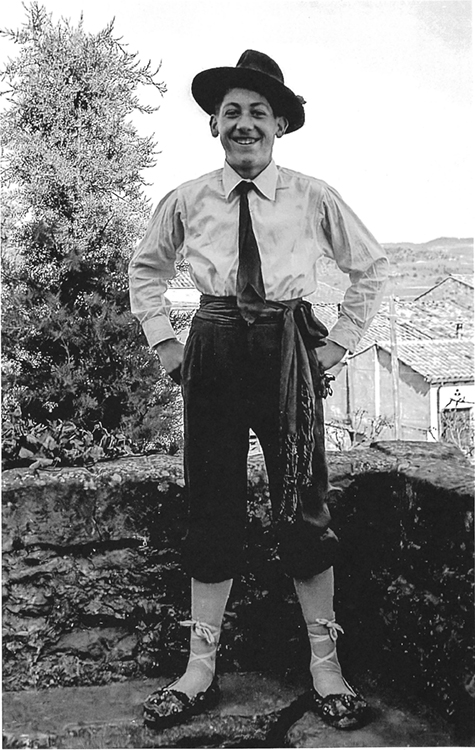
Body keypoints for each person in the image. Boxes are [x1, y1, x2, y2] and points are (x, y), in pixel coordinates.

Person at [128, 49, 389, 731]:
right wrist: (166, 344)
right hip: (213, 344)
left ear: (280, 125)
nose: (244, 124)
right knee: (211, 505)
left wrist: (338, 344)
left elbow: (370, 268)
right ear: (214, 124)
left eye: (258, 113)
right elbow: (145, 270)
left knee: (304, 504)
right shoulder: (186, 199)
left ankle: (326, 667)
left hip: (286, 349)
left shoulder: (313, 196)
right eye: (232, 112)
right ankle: (199, 669)